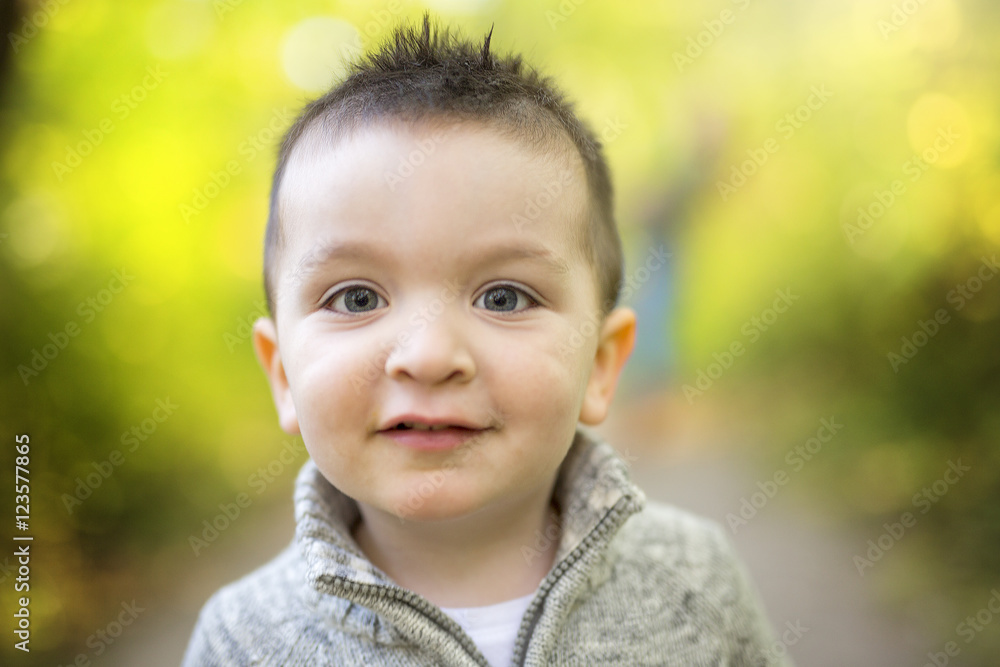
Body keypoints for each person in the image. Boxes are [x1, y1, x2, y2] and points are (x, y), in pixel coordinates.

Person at [183, 14, 789, 666]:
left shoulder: (697, 585)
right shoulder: (242, 640)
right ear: (282, 376)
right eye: (357, 298)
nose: (429, 356)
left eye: (503, 297)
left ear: (601, 366)